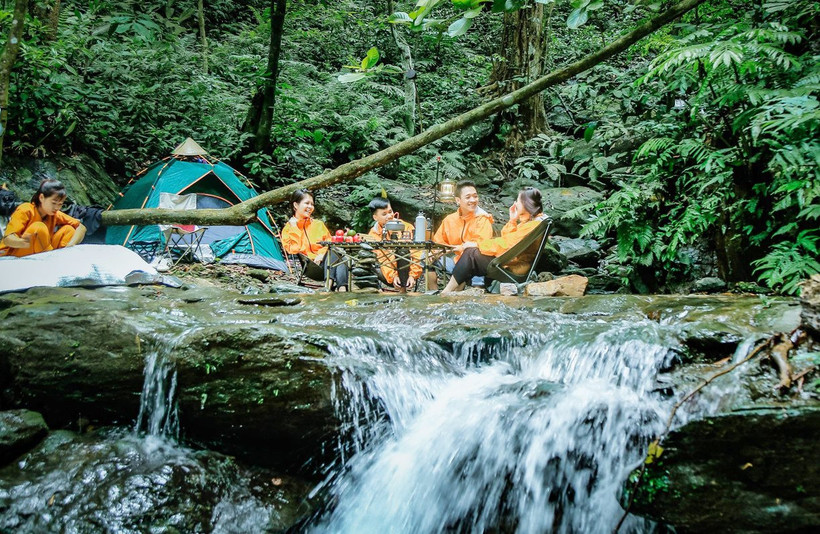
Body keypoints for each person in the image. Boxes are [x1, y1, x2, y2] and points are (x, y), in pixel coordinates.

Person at [441, 187, 547, 294]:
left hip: (513, 268)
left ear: (526, 203)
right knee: (472, 253)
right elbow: (508, 239)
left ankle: (447, 291)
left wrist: (477, 244)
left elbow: (505, 244)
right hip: (513, 262)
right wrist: (512, 220)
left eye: (518, 201)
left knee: (470, 253)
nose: (515, 203)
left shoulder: (532, 225)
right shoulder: (533, 222)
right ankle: (456, 288)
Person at [281, 189, 349, 291]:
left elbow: (329, 243)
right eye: (307, 203)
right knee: (335, 252)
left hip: (326, 262)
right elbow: (293, 250)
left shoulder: (318, 224)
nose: (310, 207)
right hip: (311, 267)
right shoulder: (288, 229)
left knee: (337, 253)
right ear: (296, 205)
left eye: (312, 204)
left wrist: (321, 254)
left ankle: (339, 289)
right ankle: (334, 288)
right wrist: (295, 228)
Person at [0, 179, 86, 258]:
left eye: (60, 204)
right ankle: (50, 261)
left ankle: (61, 258)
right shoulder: (25, 209)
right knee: (38, 227)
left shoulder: (54, 213)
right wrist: (22, 242)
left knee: (69, 230)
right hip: (12, 254)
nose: (57, 207)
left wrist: (70, 245)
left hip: (42, 251)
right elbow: (8, 239)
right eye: (54, 203)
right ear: (41, 198)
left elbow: (81, 227)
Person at [432, 180, 494, 286]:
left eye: (475, 196)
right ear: (458, 200)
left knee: (472, 252)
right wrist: (433, 253)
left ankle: (476, 288)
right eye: (468, 197)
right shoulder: (449, 220)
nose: (473, 200)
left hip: (475, 267)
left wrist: (461, 248)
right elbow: (438, 243)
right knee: (426, 257)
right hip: (455, 263)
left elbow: (481, 246)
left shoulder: (483, 218)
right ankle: (432, 295)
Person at [366, 197, 422, 292]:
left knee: (403, 251)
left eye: (390, 211)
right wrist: (393, 276)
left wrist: (413, 275)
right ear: (375, 218)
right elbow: (382, 258)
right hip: (387, 273)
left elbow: (417, 253)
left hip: (408, 269)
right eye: (384, 214)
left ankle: (403, 289)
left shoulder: (407, 227)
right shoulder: (373, 234)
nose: (389, 216)